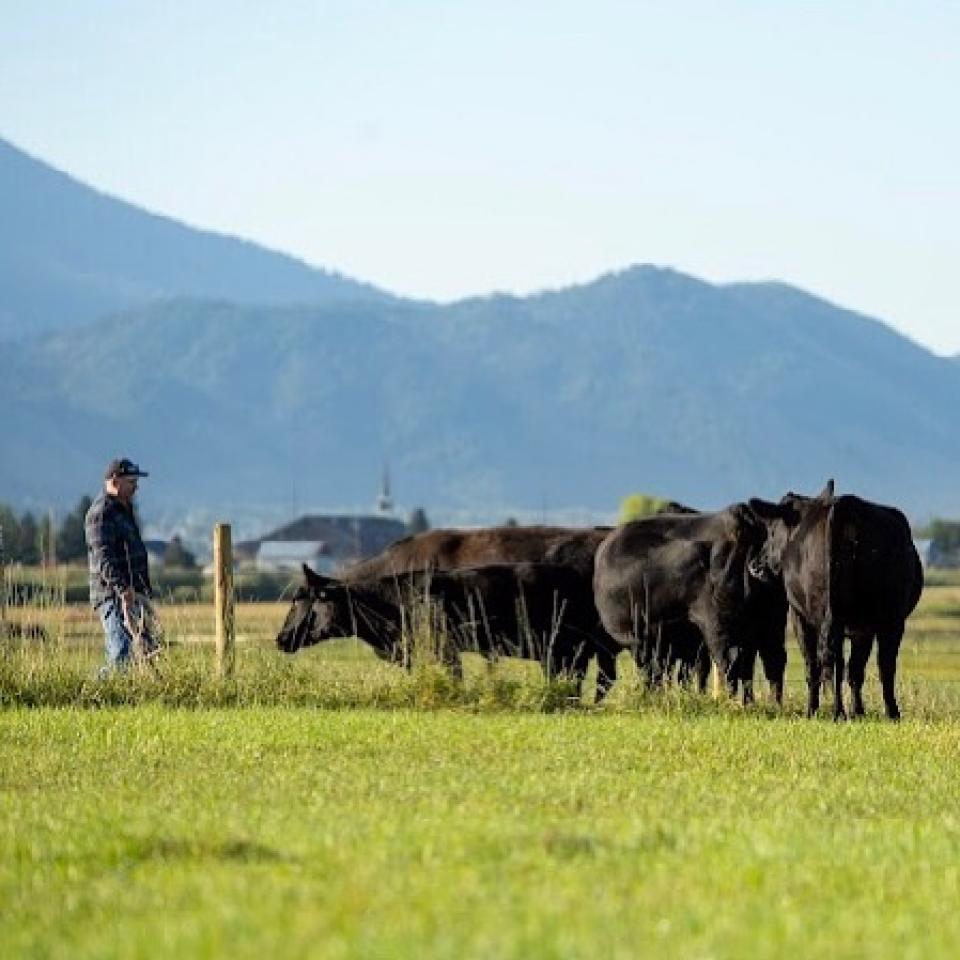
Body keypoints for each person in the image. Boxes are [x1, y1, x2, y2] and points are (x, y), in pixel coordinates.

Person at [84, 458, 154, 674]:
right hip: (114, 596)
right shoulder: (101, 514)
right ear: (115, 482)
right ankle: (94, 696)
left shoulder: (123, 510)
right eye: (131, 482)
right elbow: (104, 558)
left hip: (133, 593)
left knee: (146, 650)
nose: (136, 487)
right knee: (120, 655)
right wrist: (123, 588)